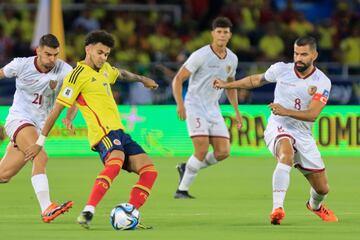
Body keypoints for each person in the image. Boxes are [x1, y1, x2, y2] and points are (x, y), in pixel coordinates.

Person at [25, 30, 159, 229]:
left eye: (106, 54)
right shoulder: (76, 75)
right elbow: (57, 109)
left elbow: (121, 73)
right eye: (100, 52)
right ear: (88, 49)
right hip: (103, 133)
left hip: (120, 132)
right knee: (116, 161)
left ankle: (130, 210)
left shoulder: (105, 69)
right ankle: (88, 210)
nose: (103, 57)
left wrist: (142, 79)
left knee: (149, 171)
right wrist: (39, 143)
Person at [213, 36, 338, 224]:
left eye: (304, 54)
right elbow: (255, 80)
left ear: (314, 55)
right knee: (286, 154)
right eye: (296, 53)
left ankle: (315, 206)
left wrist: (285, 110)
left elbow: (312, 115)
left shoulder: (322, 81)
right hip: (279, 126)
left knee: (322, 189)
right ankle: (277, 209)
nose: (299, 58)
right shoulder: (281, 69)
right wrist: (226, 85)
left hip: (303, 134)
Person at [0, 34, 74, 222]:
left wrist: (68, 117)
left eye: (56, 55)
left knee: (3, 175)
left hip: (39, 126)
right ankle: (46, 208)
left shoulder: (64, 70)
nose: (52, 59)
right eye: (48, 54)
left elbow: (74, 95)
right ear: (38, 51)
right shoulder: (20, 65)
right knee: (40, 155)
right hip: (19, 119)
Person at [172, 17, 242, 199]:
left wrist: (236, 111)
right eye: (219, 31)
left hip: (213, 108)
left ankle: (186, 167)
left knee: (223, 152)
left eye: (225, 32)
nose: (222, 35)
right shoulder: (200, 55)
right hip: (194, 106)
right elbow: (178, 79)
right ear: (213, 34)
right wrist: (180, 103)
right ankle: (182, 190)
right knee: (201, 150)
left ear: (230, 35)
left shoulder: (232, 59)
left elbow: (230, 85)